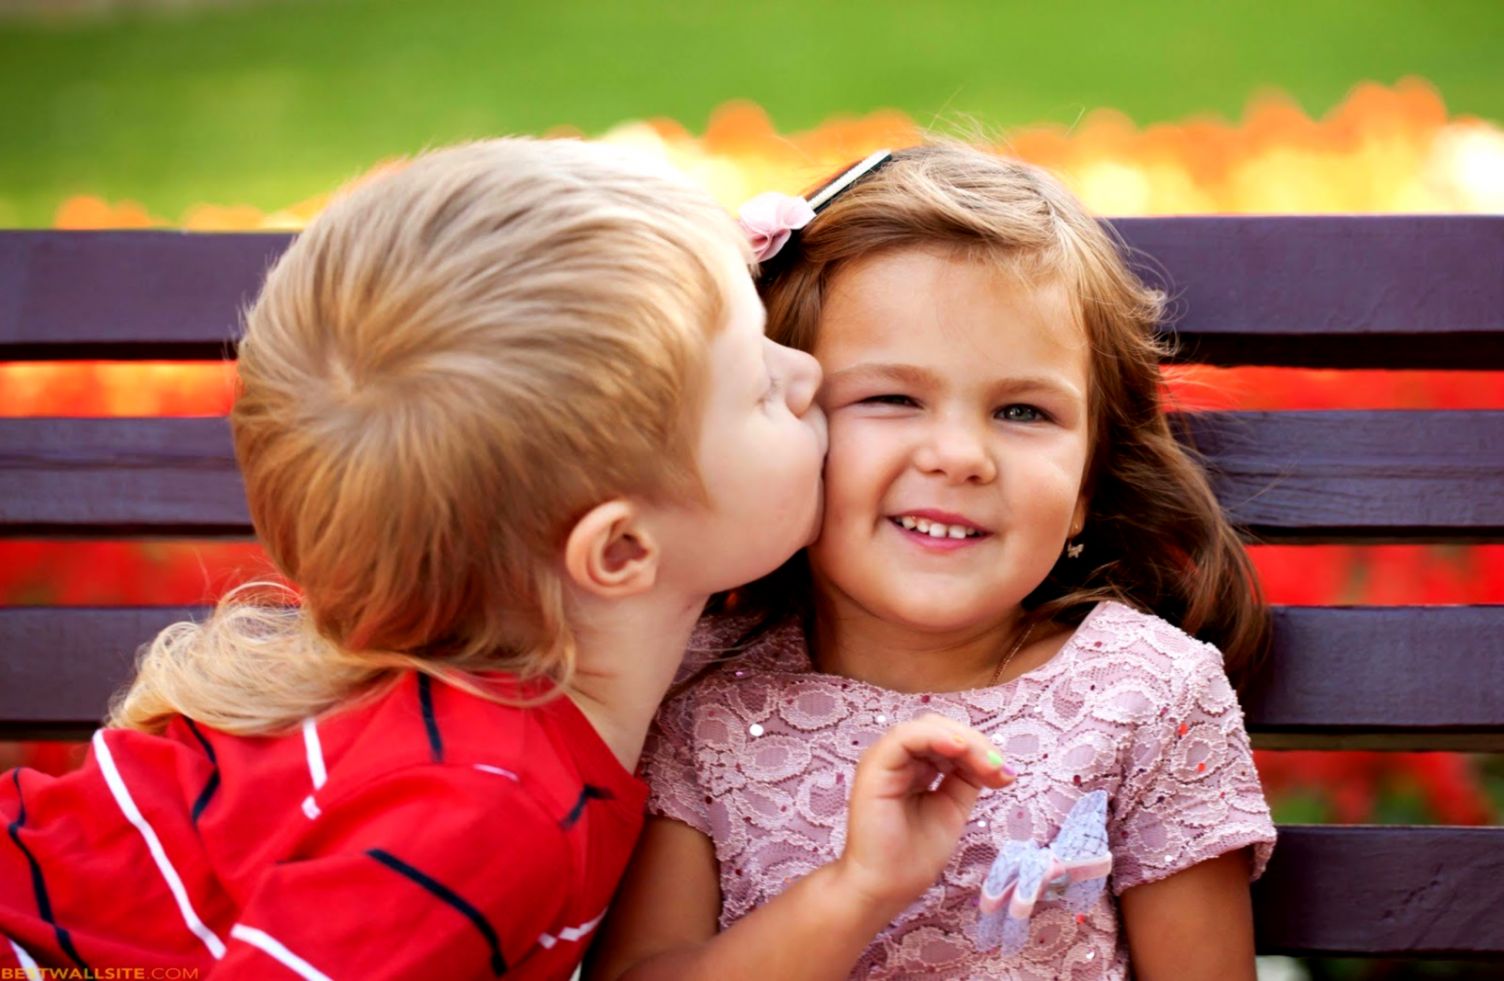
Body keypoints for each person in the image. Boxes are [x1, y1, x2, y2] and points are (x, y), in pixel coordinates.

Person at [1, 136, 907, 981]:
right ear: (622, 549)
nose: (806, 375)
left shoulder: (495, 724)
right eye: (756, 385)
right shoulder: (479, 812)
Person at [590, 145, 1277, 980]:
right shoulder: (702, 692)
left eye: (1022, 410)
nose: (959, 456)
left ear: (1089, 484)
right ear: (785, 423)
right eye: (892, 398)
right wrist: (857, 889)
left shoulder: (1149, 695)